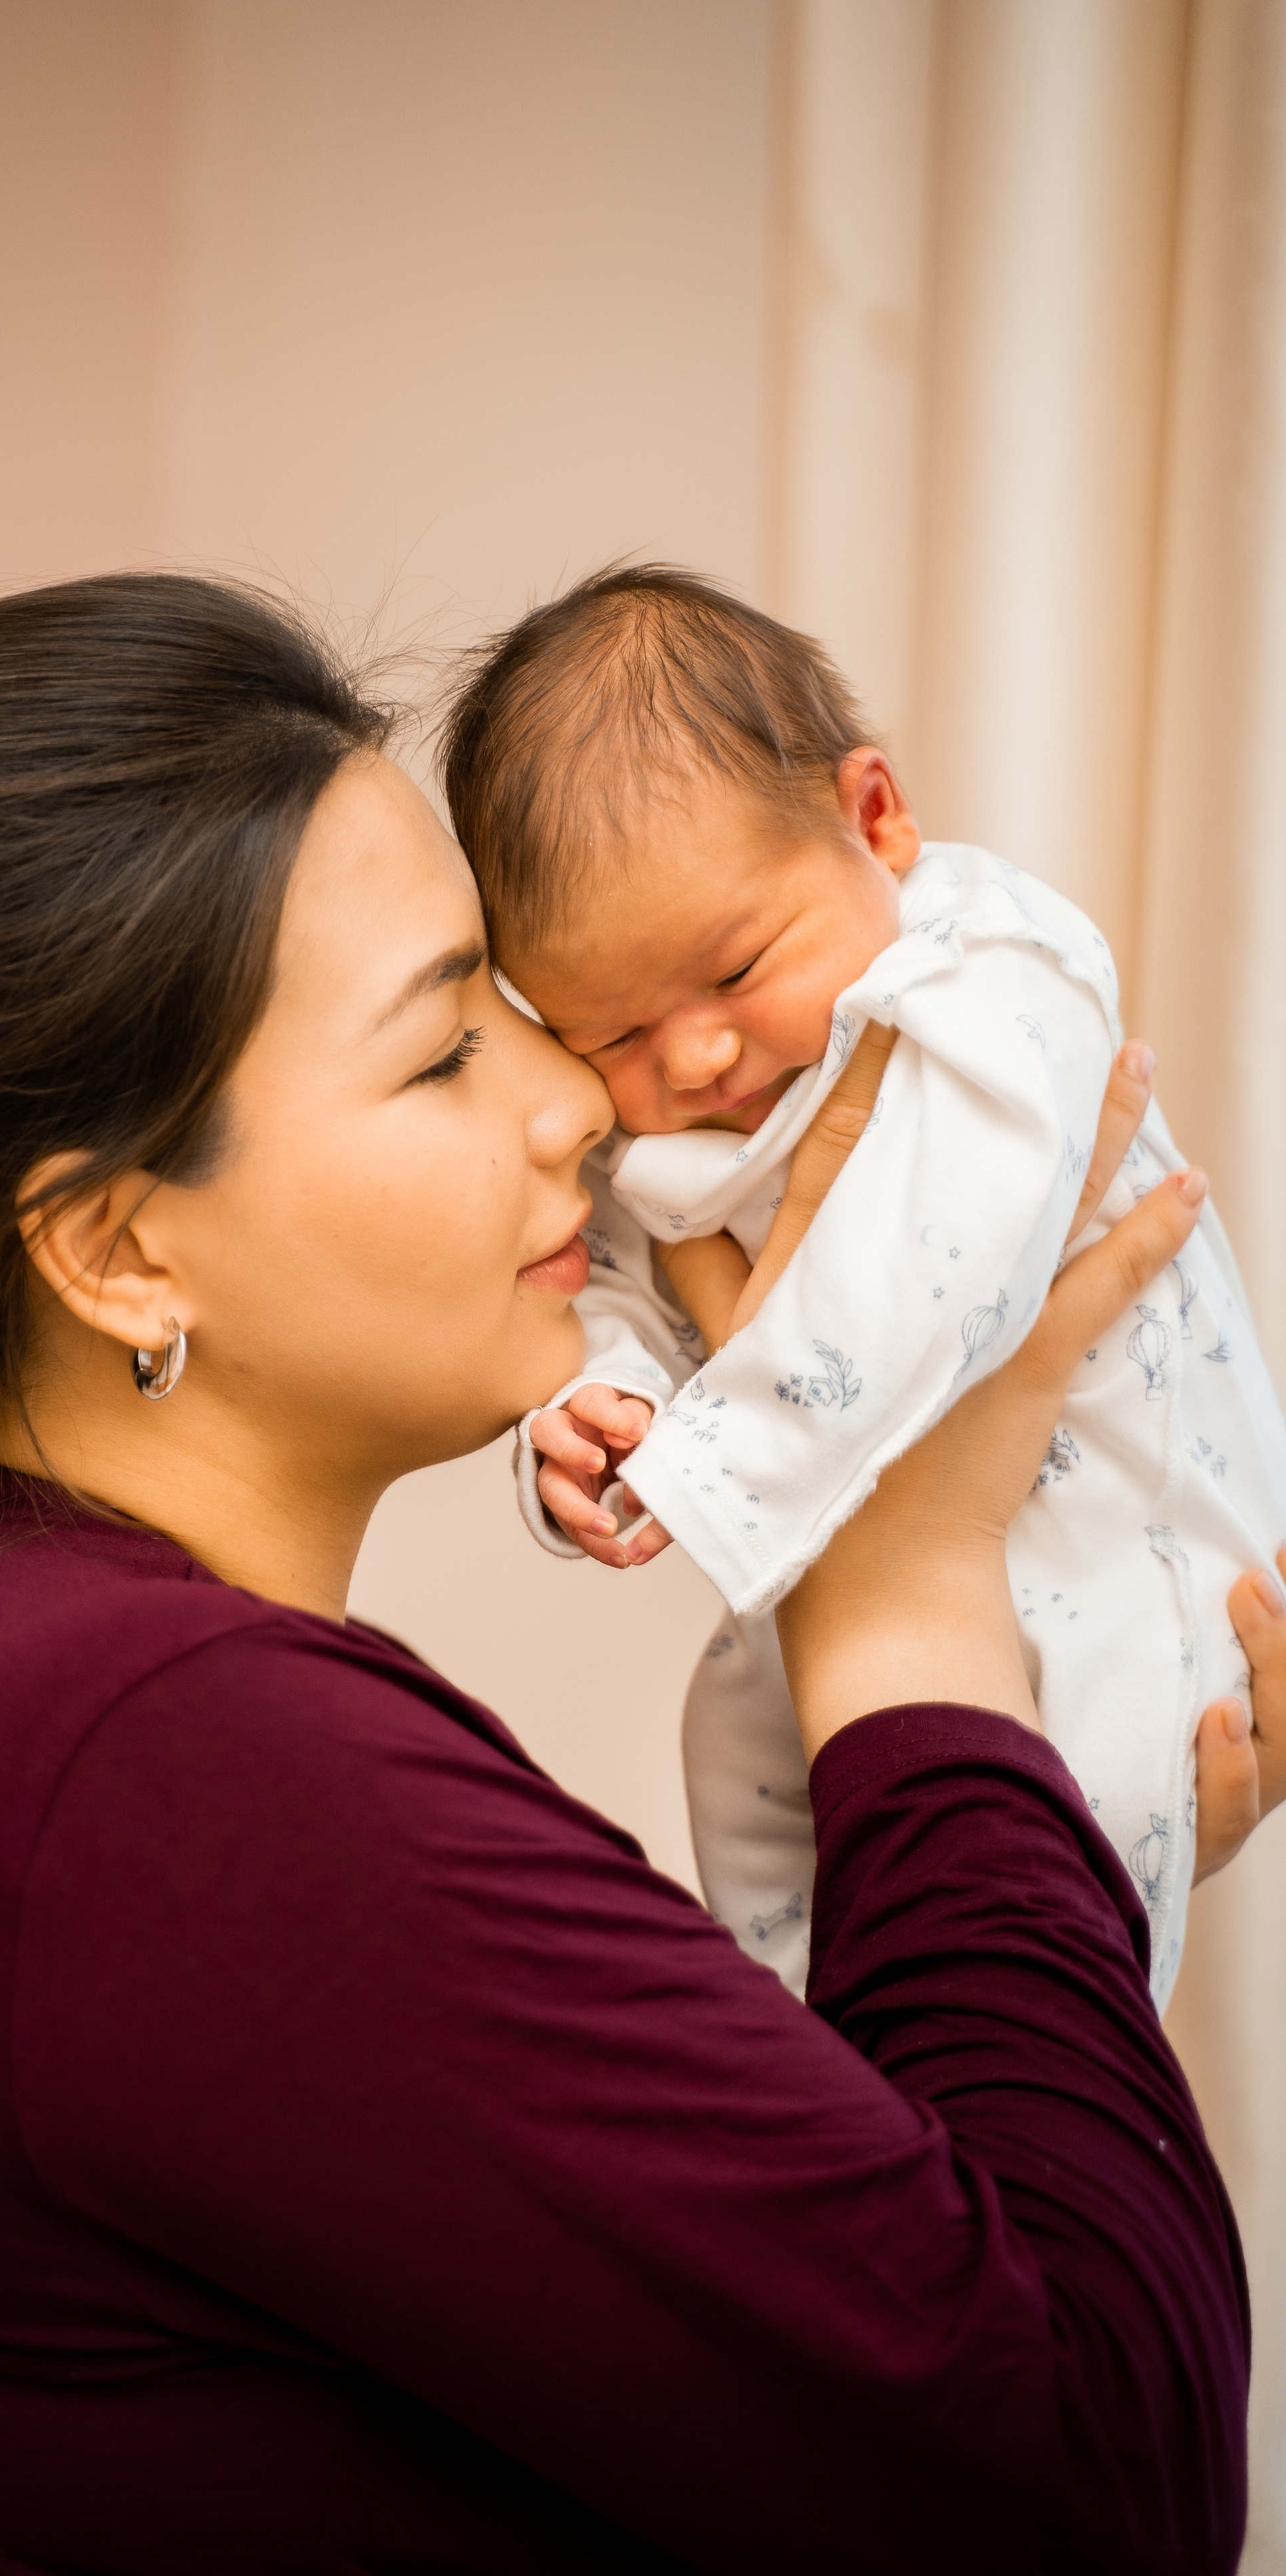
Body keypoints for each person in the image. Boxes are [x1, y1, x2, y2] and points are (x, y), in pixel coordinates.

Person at [0, 572, 1276, 2575]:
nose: (583, 1109)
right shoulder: (166, 1776)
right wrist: (908, 1588)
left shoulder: (23, 1681)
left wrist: (1045, 1870)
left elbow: (852, 2320)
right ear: (121, 1247)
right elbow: (1094, 2486)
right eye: (445, 1050)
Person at [441, 562, 1286, 2004]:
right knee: (743, 1750)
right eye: (614, 1033)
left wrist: (721, 1457)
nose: (695, 1060)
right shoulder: (675, 1122)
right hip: (845, 1555)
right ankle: (823, 2050)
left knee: (1058, 1850)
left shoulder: (985, 977)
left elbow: (937, 1254)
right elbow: (625, 1286)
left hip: (1115, 1535)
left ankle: (1023, 2062)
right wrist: (593, 1406)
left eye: (735, 968)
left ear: (873, 819)